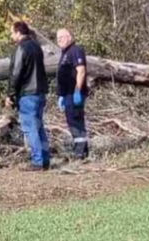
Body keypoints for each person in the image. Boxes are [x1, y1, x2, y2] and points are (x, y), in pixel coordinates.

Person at [7, 21, 50, 170]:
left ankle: (37, 161)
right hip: (40, 91)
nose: (11, 35)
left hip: (27, 93)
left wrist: (10, 93)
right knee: (39, 126)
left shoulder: (21, 48)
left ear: (18, 32)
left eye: (12, 32)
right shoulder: (36, 47)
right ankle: (45, 158)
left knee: (30, 127)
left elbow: (16, 72)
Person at [55, 28, 89, 160]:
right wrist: (61, 95)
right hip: (66, 94)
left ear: (69, 36)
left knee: (76, 121)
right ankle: (81, 150)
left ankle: (80, 153)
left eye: (62, 37)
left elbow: (81, 71)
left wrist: (77, 90)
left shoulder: (75, 50)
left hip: (74, 93)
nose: (59, 41)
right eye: (57, 39)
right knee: (71, 121)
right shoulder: (64, 53)